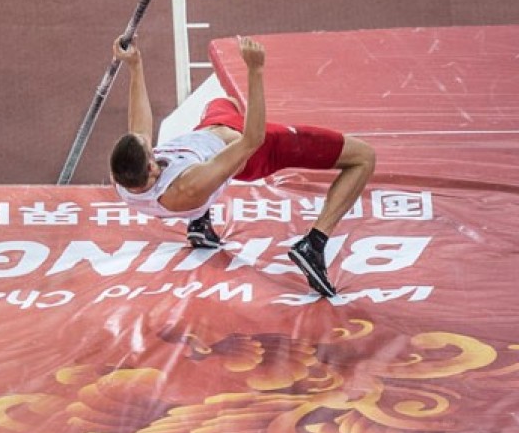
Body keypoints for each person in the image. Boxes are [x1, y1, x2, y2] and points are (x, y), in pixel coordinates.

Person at [108, 34, 376, 297]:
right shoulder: (187, 185)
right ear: (153, 169)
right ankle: (314, 244)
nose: (148, 142)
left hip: (209, 132)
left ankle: (199, 223)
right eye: (150, 150)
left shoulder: (125, 179)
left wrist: (135, 66)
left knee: (225, 103)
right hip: (256, 150)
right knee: (363, 156)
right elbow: (252, 139)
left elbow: (139, 129)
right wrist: (255, 70)